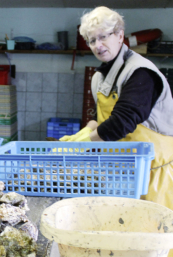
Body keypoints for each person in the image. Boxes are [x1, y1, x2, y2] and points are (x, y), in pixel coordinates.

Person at [60, 7, 173, 210]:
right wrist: (88, 129)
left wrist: (87, 141)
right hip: (121, 172)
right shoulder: (99, 77)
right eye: (92, 40)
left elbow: (123, 121)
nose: (98, 45)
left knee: (154, 235)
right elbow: (102, 119)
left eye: (103, 37)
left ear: (120, 36)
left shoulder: (141, 73)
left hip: (154, 175)